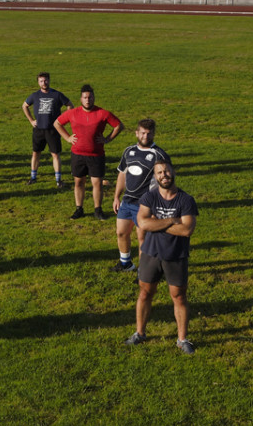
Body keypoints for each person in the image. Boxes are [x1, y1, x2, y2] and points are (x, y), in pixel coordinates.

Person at [125, 161, 198, 355]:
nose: (164, 175)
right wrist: (172, 220)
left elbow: (187, 229)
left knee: (179, 297)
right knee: (145, 293)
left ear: (173, 172)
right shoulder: (149, 197)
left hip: (176, 255)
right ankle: (140, 333)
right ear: (155, 177)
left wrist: (157, 222)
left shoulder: (185, 200)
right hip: (151, 253)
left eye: (166, 171)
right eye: (159, 172)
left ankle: (182, 339)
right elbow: (143, 223)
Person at [54, 84, 124, 220]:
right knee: (79, 182)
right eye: (85, 97)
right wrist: (67, 137)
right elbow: (57, 123)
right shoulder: (73, 113)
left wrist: (107, 139)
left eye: (90, 97)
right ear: (81, 99)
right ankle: (79, 209)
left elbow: (119, 125)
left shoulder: (103, 113)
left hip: (96, 155)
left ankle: (98, 210)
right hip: (77, 154)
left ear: (94, 98)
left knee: (97, 183)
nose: (88, 100)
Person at [111, 118, 171, 272]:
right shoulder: (128, 151)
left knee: (142, 239)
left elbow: (166, 181)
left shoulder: (159, 155)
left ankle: (143, 272)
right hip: (127, 201)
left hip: (145, 205)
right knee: (121, 232)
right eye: (143, 133)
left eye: (149, 134)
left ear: (153, 135)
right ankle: (126, 264)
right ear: (137, 133)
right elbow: (122, 175)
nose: (146, 136)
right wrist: (117, 196)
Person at [21, 72, 74, 188]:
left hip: (53, 130)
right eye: (41, 81)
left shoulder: (57, 95)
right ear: (38, 82)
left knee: (55, 154)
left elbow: (70, 105)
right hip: (38, 130)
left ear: (49, 80)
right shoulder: (35, 96)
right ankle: (33, 177)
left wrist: (62, 120)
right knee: (36, 153)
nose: (43, 83)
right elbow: (24, 106)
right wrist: (31, 120)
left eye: (45, 80)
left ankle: (58, 180)